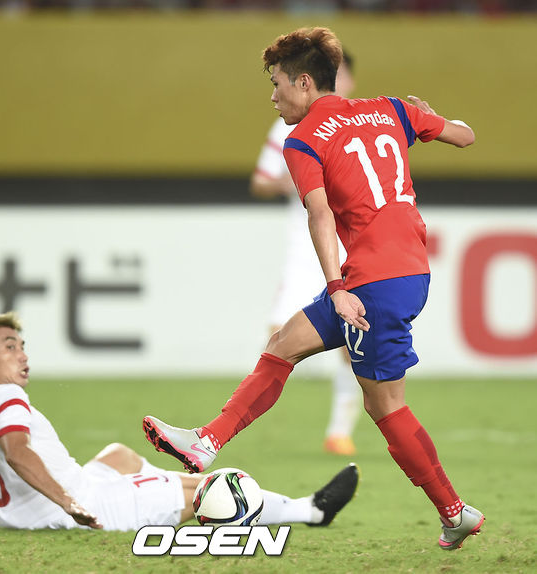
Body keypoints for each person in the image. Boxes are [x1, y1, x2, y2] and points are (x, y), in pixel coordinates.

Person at [143, 27, 484, 550]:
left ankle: (454, 512)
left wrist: (336, 286)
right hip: (403, 270)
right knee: (284, 344)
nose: (273, 95)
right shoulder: (391, 109)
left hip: (372, 284)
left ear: (304, 82)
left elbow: (319, 214)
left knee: (386, 407)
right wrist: (433, 116)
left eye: (277, 83)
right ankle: (206, 441)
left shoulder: (303, 138)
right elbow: (465, 136)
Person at [0, 311, 359, 531]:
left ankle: (155, 484)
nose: (22, 355)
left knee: (119, 455)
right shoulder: (5, 396)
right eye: (10, 347)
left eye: (22, 345)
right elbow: (16, 453)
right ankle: (309, 510)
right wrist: (69, 504)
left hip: (46, 505)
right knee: (214, 490)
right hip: (84, 504)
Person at [250, 50, 360, 456]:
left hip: (348, 248)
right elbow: (261, 181)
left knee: (354, 340)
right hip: (305, 247)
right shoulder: (288, 125)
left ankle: (339, 432)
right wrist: (294, 181)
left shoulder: (360, 121)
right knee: (277, 337)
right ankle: (239, 422)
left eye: (343, 75)